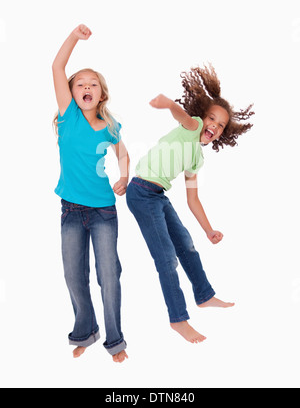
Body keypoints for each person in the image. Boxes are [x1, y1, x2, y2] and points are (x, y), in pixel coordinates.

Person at [126, 64, 254, 343]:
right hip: (141, 192)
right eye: (212, 119)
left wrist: (209, 230)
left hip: (158, 195)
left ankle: (204, 296)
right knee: (166, 257)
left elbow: (193, 199)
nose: (214, 126)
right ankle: (178, 319)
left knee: (186, 245)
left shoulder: (197, 157)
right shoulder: (192, 126)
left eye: (220, 125)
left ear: (223, 133)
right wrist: (167, 103)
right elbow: (180, 115)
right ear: (203, 116)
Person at [52, 24, 129, 362]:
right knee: (73, 275)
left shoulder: (111, 126)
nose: (86, 86)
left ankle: (116, 342)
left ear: (101, 94)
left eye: (92, 84)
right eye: (80, 84)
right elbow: (57, 67)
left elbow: (122, 153)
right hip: (70, 211)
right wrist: (73, 37)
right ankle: (85, 331)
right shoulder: (68, 116)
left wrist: (124, 175)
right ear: (71, 93)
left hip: (103, 212)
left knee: (108, 276)